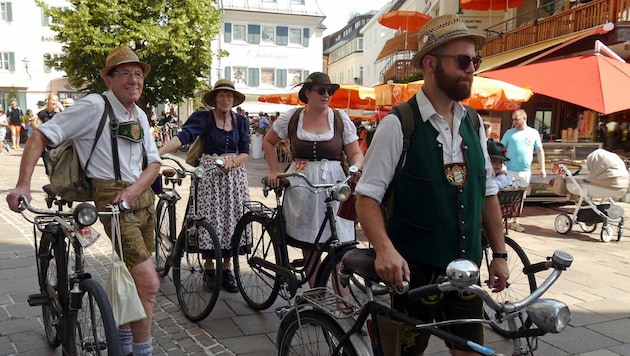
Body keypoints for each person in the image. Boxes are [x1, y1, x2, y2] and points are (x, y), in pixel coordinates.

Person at [355, 14, 508, 356]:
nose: (472, 69)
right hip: (413, 274)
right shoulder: (399, 124)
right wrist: (384, 249)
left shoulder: (474, 122)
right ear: (430, 63)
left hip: (466, 270)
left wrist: (498, 254)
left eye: (475, 61)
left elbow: (487, 193)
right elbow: (366, 197)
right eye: (464, 60)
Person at [6, 45, 161, 356]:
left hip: (140, 199)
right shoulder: (93, 106)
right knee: (149, 284)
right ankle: (142, 352)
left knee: (133, 280)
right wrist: (23, 185)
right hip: (113, 201)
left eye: (138, 73)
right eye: (125, 73)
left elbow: (154, 163)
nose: (134, 79)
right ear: (109, 80)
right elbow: (39, 136)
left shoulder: (140, 114)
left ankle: (124, 343)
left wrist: (134, 191)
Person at [262, 72, 364, 289]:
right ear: (307, 92)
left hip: (335, 183)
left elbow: (355, 152)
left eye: (329, 91)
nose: (326, 94)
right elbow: (269, 142)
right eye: (321, 90)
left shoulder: (339, 118)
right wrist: (273, 171)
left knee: (340, 241)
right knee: (309, 241)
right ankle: (316, 292)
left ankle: (342, 297)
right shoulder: (292, 117)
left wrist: (355, 169)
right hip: (302, 183)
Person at [159, 79, 250, 293]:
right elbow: (183, 137)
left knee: (232, 220)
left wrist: (233, 162)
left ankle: (226, 271)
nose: (225, 99)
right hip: (209, 176)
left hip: (234, 178)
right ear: (215, 99)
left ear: (234, 99)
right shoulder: (203, 118)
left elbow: (244, 151)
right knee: (210, 221)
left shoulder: (241, 121)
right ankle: (209, 271)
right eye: (221, 95)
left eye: (229, 96)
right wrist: (159, 152)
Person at [501, 109, 546, 232]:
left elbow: (539, 150)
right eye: (513, 119)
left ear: (524, 118)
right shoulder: (509, 133)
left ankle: (516, 220)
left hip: (525, 170)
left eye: (517, 119)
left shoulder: (533, 133)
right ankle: (504, 219)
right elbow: (501, 148)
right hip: (510, 169)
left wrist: (542, 167)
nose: (514, 121)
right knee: (507, 195)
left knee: (521, 197)